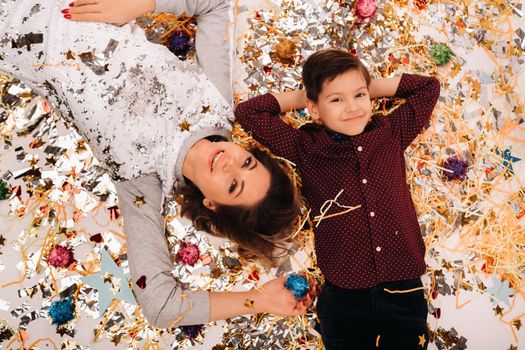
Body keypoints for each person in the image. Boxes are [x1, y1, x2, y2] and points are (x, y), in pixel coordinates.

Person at [0, 0, 307, 329]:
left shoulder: (142, 182)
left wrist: (257, 299)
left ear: (212, 204)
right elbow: (217, 5)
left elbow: (161, 306)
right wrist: (139, 4)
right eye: (247, 162)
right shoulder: (216, 104)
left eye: (234, 186)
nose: (229, 164)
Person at [235, 48, 441, 349]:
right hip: (345, 295)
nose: (352, 107)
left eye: (359, 96)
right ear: (315, 109)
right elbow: (248, 113)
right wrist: (307, 96)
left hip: (403, 287)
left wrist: (366, 85)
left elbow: (428, 87)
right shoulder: (305, 147)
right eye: (336, 99)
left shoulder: (390, 133)